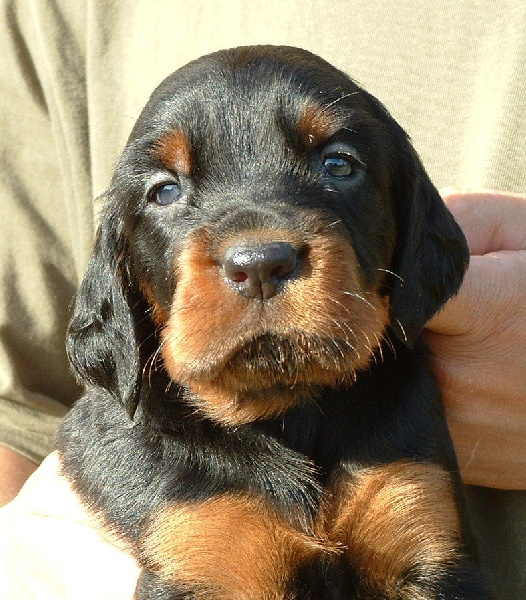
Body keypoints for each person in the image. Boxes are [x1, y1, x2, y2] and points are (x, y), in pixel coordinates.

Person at [0, 1, 524, 598]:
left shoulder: (404, 431)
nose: (256, 256)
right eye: (166, 192)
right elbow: (15, 414)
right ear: (123, 277)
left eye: (339, 164)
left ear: (408, 219)